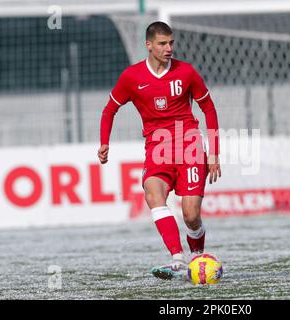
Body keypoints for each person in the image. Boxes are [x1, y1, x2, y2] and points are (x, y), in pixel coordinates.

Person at [97, 21, 221, 280]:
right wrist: (104, 142)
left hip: (189, 146)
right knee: (153, 195)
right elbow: (109, 109)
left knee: (191, 216)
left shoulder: (185, 72)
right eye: (163, 44)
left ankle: (197, 256)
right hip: (157, 149)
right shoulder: (132, 77)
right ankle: (177, 258)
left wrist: (213, 153)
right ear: (149, 45)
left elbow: (208, 108)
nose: (169, 49)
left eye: (171, 43)